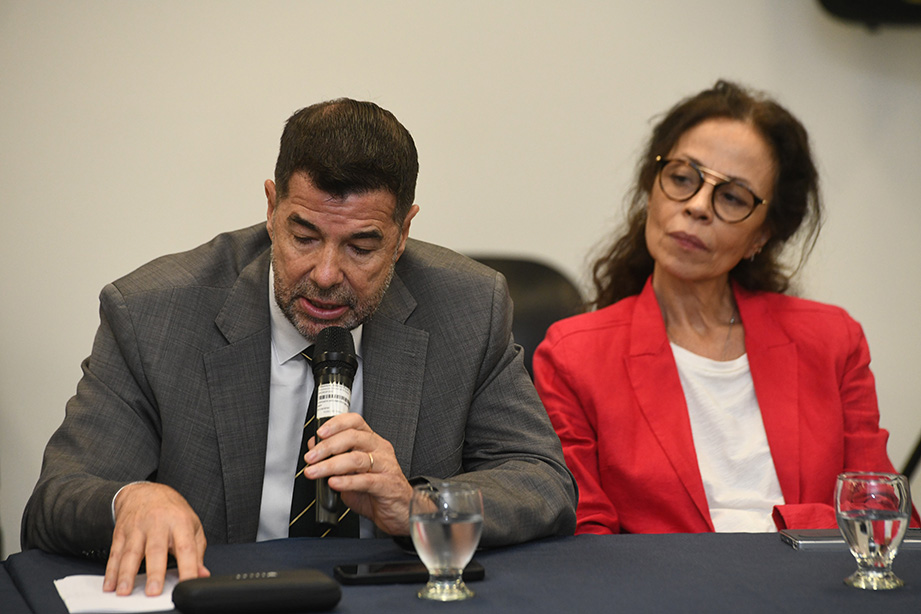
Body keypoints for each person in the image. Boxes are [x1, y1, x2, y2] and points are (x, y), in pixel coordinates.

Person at [22, 98, 577, 595]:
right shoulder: (154, 315)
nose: (326, 274)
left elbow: (542, 480)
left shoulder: (468, 308)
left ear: (403, 233)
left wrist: (416, 506)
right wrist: (129, 499)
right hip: (227, 602)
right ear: (271, 208)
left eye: (361, 247)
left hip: (391, 597)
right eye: (304, 237)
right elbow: (56, 498)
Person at [533, 80, 915, 535]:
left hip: (814, 579)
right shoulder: (574, 356)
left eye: (732, 197)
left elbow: (884, 519)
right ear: (651, 189)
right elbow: (586, 537)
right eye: (682, 178)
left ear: (762, 236)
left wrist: (785, 538)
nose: (697, 206)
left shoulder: (832, 341)